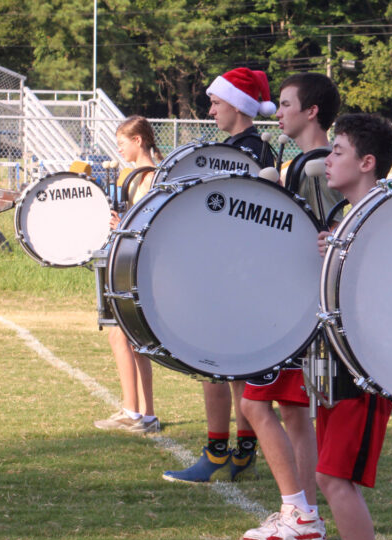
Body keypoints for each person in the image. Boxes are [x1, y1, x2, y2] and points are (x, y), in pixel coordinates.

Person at [305, 113, 392, 540]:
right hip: (338, 362)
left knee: (333, 477)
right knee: (330, 476)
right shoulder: (341, 217)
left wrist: (345, 259)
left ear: (367, 163)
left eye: (338, 151)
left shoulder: (383, 217)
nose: (328, 159)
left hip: (364, 366)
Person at [237, 72, 342, 540]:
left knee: (254, 405)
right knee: (296, 414)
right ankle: (306, 513)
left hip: (299, 308)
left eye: (285, 104)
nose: (277, 112)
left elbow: (315, 237)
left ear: (311, 111)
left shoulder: (317, 167)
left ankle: (297, 511)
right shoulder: (308, 162)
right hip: (310, 308)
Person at [162, 67, 276, 484]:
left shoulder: (245, 151)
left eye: (216, 102)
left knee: (211, 362)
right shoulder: (253, 148)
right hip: (242, 273)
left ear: (238, 105)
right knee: (238, 367)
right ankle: (243, 452)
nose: (210, 110)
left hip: (234, 274)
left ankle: (215, 452)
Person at [93, 115, 163, 435]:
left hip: (141, 268)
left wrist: (120, 225)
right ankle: (143, 413)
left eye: (123, 143)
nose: (119, 149)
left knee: (123, 336)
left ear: (138, 141)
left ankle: (134, 411)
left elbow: (151, 226)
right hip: (131, 264)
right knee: (130, 340)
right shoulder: (135, 176)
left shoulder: (151, 177)